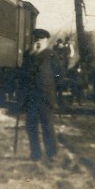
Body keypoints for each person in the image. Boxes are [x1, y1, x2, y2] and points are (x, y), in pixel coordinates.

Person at [17, 29, 59, 162]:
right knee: (31, 127)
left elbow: (59, 74)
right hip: (31, 98)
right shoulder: (28, 55)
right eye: (35, 40)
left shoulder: (51, 55)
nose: (38, 42)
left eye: (40, 40)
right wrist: (31, 55)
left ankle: (51, 154)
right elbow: (23, 74)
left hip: (46, 97)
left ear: (46, 41)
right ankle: (35, 153)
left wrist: (52, 89)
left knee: (47, 126)